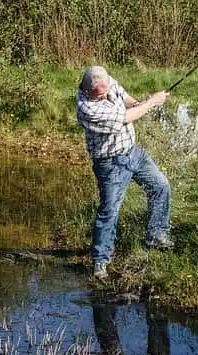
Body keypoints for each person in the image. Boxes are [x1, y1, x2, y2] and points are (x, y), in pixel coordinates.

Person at [76, 66, 174, 280]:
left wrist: (140, 103)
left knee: (161, 187)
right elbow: (125, 118)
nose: (106, 93)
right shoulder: (88, 109)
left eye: (107, 88)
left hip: (134, 153)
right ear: (89, 90)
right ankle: (101, 261)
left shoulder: (104, 80)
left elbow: (124, 97)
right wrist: (152, 103)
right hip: (110, 164)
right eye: (101, 93)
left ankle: (156, 235)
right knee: (109, 211)